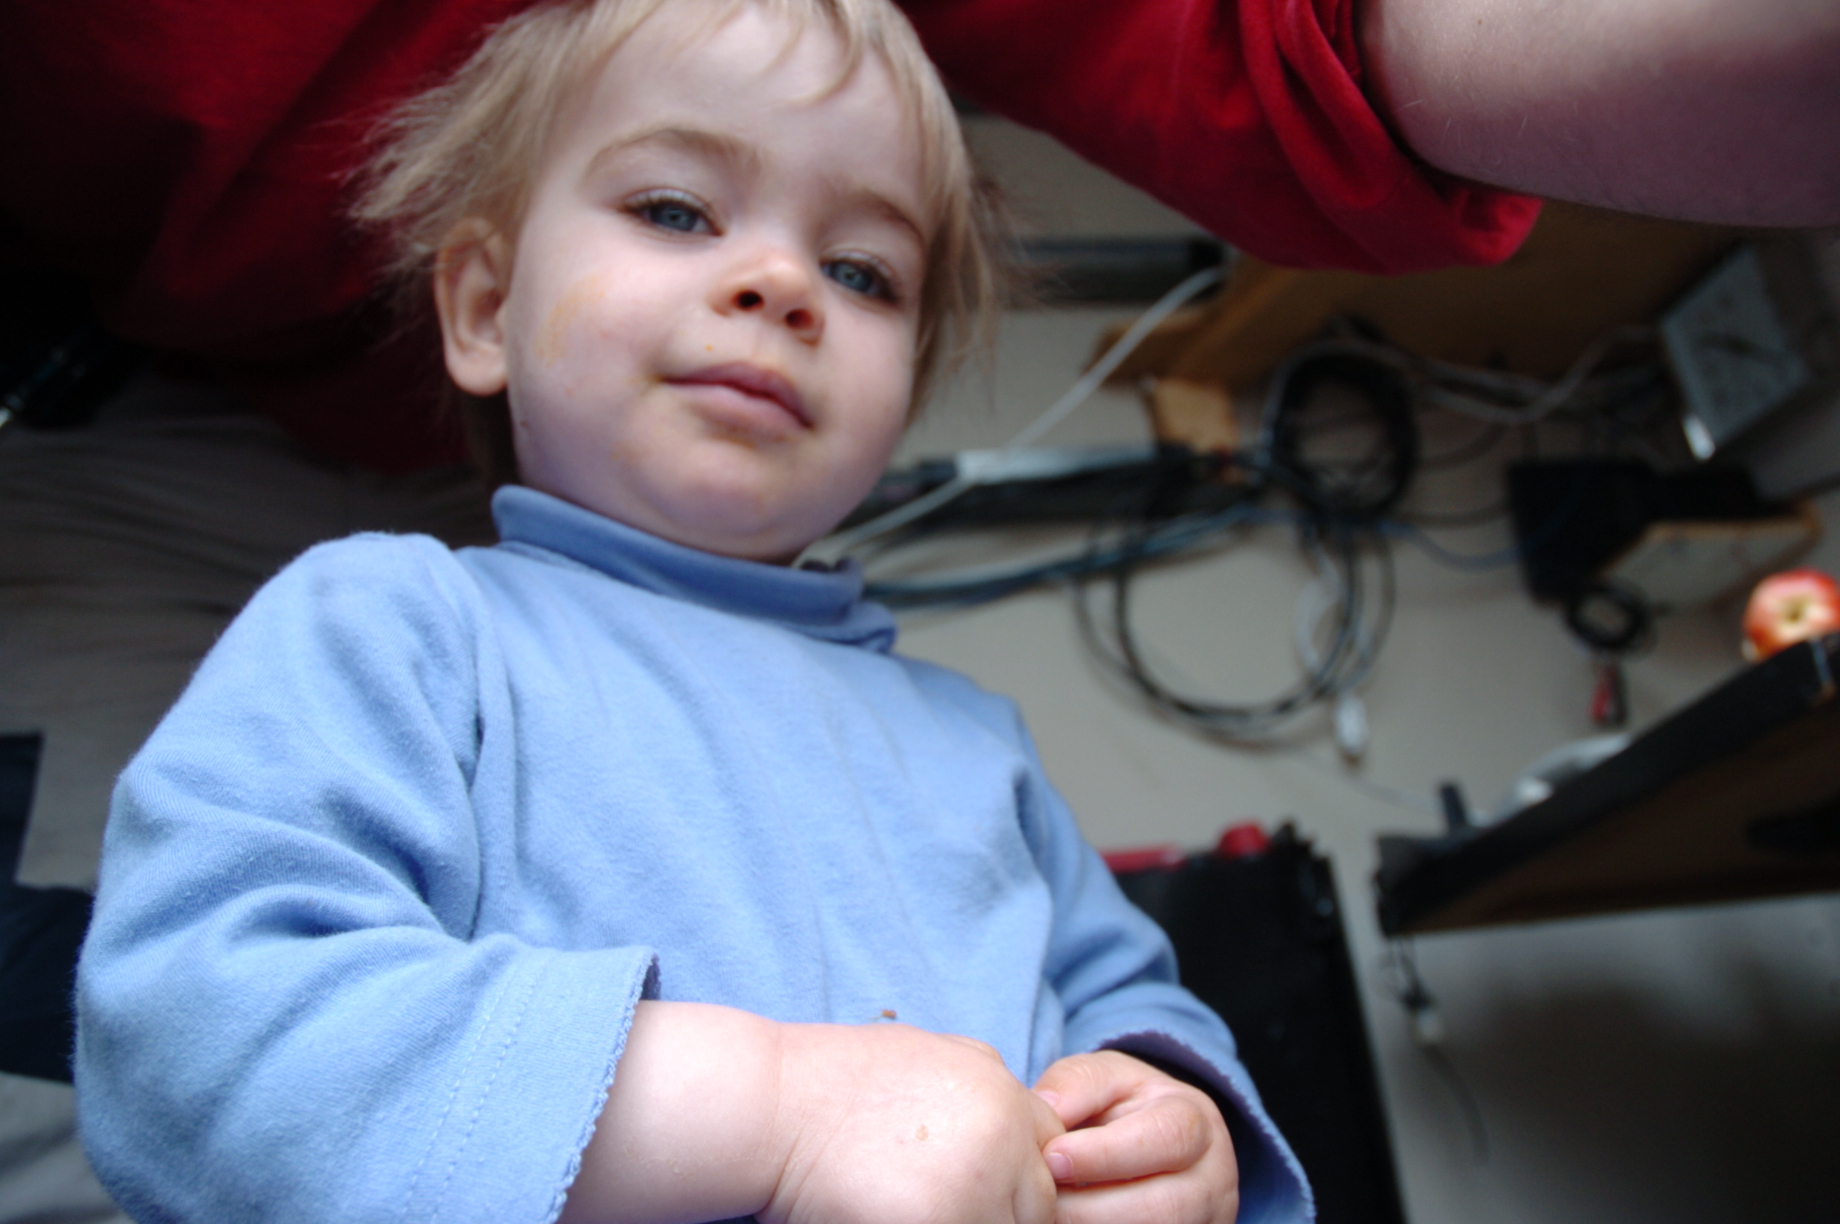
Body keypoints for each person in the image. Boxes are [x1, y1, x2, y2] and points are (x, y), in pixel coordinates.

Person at [73, 2, 1308, 1222]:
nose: (782, 283)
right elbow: (197, 1033)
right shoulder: (391, 623)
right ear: (487, 308)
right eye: (675, 210)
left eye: (862, 273)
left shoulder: (978, 743)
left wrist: (1171, 1115)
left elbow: (1131, 1000)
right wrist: (777, 1113)